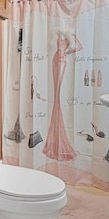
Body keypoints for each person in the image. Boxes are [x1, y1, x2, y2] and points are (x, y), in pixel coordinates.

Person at [43, 29, 82, 161]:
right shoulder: (59, 32)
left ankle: (58, 140)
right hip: (55, 59)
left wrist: (66, 52)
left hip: (62, 61)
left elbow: (79, 46)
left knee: (58, 95)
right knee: (55, 95)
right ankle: (54, 140)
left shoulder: (70, 34)